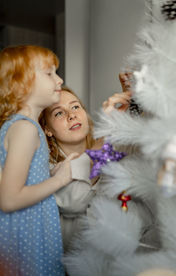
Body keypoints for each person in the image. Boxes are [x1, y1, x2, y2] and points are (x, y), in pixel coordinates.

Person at [0, 45, 78, 275]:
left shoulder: (21, 126)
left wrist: (49, 173)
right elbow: (9, 199)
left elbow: (18, 179)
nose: (60, 79)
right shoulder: (25, 129)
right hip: (27, 235)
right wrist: (60, 180)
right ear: (21, 83)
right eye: (49, 73)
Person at [39, 85, 132, 252]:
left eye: (75, 106)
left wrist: (132, 96)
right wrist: (104, 137)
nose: (71, 115)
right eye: (59, 113)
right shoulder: (47, 170)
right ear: (47, 129)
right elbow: (74, 202)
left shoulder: (113, 152)